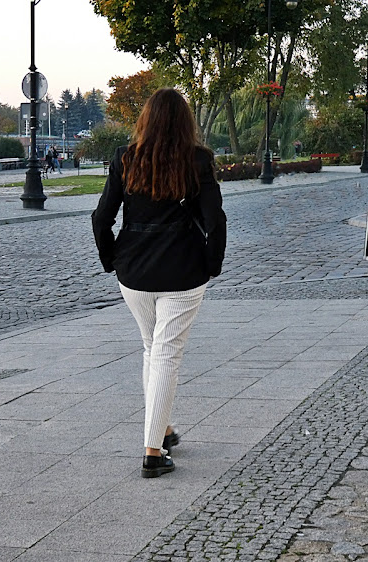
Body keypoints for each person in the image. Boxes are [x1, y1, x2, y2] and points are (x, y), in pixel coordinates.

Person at [91, 88, 226, 478]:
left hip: (133, 269)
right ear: (185, 122)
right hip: (183, 268)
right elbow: (215, 221)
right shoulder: (197, 160)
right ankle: (153, 451)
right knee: (166, 353)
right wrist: (211, 265)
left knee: (153, 348)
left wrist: (111, 260)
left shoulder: (125, 157)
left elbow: (102, 218)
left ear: (145, 120)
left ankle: (162, 428)